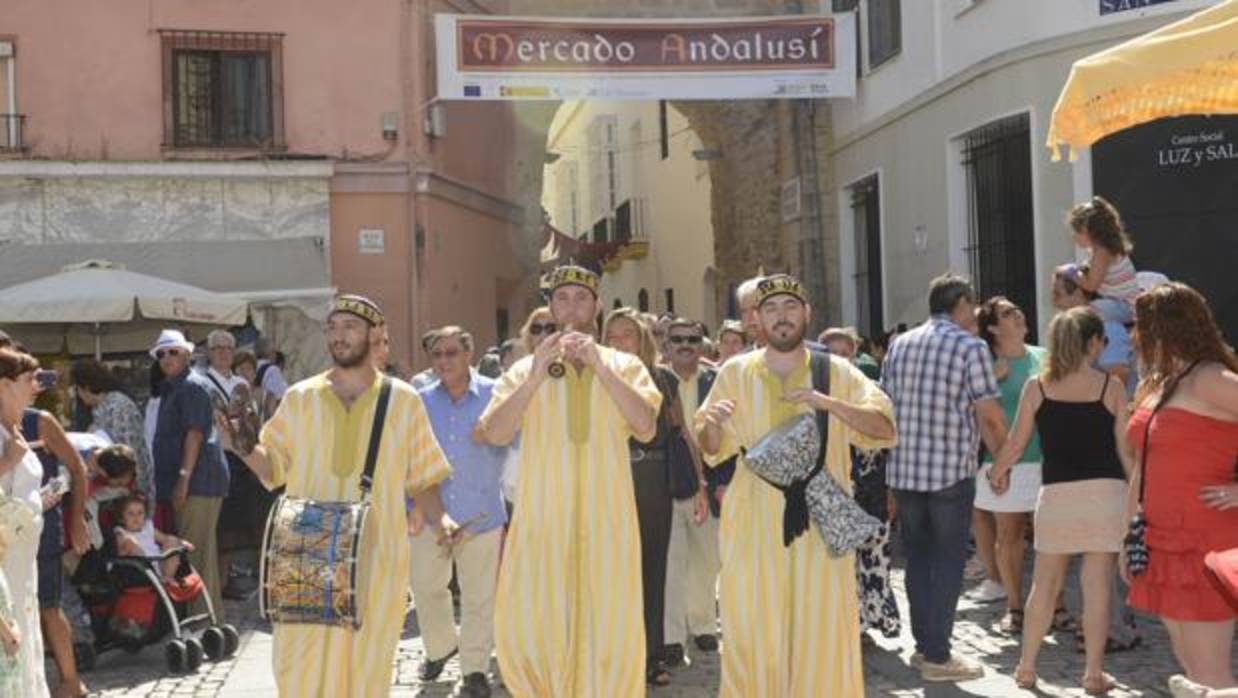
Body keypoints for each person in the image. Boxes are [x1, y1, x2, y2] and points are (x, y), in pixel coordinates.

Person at [219, 294, 458, 696]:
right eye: (332, 327)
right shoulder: (300, 398)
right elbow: (272, 469)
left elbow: (423, 478)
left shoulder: (402, 400)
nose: (338, 336)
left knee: (366, 671)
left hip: (377, 558)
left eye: (349, 326)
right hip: (306, 551)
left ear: (375, 333)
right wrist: (239, 446)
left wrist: (442, 520)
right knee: (299, 668)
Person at [696, 274, 896, 697]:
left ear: (806, 313)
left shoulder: (837, 371)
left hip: (818, 528)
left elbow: (883, 429)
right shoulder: (734, 372)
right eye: (771, 309)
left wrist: (830, 405)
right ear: (756, 319)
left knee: (821, 632)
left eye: (790, 307)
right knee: (752, 632)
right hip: (752, 527)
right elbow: (712, 449)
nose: (781, 317)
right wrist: (711, 425)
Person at [479, 265, 661, 696]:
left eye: (582, 299)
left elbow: (646, 426)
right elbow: (496, 432)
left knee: (611, 621)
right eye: (563, 298)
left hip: (608, 522)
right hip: (543, 521)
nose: (572, 308)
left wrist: (601, 366)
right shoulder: (527, 367)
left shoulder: (624, 363)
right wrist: (536, 374)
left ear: (597, 307)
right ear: (551, 306)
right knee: (536, 621)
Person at [990, 306, 1133, 694]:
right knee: (1097, 586)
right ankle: (1092, 674)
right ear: (1091, 343)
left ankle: (1026, 668)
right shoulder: (1112, 388)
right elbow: (1126, 452)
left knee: (1044, 585)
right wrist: (1138, 496)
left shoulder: (1037, 386)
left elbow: (1016, 443)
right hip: (1106, 494)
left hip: (1056, 495)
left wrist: (996, 471)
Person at [881, 273, 1008, 681]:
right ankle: (938, 654)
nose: (975, 312)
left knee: (918, 560)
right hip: (950, 471)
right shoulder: (970, 347)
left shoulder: (899, 345)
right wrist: (1005, 459)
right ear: (962, 304)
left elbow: (885, 406)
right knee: (949, 561)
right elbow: (988, 414)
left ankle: (924, 648)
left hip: (905, 469)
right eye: (972, 305)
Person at [1121, 283, 1238, 694]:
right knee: (1190, 668)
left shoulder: (1211, 380)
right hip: (1159, 539)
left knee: (1210, 672)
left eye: (1142, 326)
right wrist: (1129, 536)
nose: (1135, 335)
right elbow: (1143, 465)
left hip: (1206, 539)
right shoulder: (1161, 382)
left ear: (1166, 329)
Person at [410, 326, 507, 698]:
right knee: (425, 587)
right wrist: (412, 506)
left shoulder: (495, 394)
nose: (444, 361)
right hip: (429, 514)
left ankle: (475, 671)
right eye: (437, 355)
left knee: (478, 596)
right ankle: (440, 645)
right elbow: (409, 458)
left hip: (481, 513)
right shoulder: (419, 400)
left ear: (469, 353)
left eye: (452, 353)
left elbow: (512, 444)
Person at [599, 308, 680, 685]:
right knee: (611, 567)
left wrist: (695, 483)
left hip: (650, 478)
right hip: (610, 476)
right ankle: (615, 652)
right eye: (611, 335)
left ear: (641, 339)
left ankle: (653, 656)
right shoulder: (592, 378)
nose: (619, 342)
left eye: (626, 335)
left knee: (652, 567)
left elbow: (682, 431)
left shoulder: (662, 378)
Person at [969, 297, 1048, 634]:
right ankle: (1015, 606)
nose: (1017, 315)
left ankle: (1053, 605)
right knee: (1010, 536)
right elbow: (978, 417)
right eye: (1007, 313)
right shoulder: (985, 363)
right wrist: (992, 379)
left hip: (1047, 460)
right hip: (1006, 462)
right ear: (992, 328)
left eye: (1018, 310)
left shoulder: (1044, 357)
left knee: (1050, 538)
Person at [821, 328, 901, 641]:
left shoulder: (873, 391)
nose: (842, 359)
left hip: (872, 488)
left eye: (847, 352)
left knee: (875, 558)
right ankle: (849, 624)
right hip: (835, 491)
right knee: (841, 563)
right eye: (834, 353)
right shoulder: (816, 395)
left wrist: (892, 490)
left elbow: (891, 444)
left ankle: (872, 618)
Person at [150, 329, 230, 622]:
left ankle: (206, 623)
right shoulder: (175, 386)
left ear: (186, 353)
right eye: (161, 353)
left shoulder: (191, 386)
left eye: (172, 351)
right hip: (193, 480)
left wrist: (183, 479)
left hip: (197, 481)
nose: (166, 357)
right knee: (201, 554)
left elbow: (195, 434)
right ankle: (211, 621)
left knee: (196, 554)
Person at [661, 318, 720, 667]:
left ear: (702, 344)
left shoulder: (717, 380)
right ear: (667, 345)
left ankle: (703, 625)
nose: (685, 344)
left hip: (709, 486)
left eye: (693, 339)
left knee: (708, 559)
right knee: (672, 561)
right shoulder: (656, 380)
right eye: (678, 339)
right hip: (668, 485)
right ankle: (672, 637)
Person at [0, 348, 50, 696]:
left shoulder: (13, 429)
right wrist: (7, 461)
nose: (37, 387)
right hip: (3, 567)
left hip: (22, 564)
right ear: (4, 385)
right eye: (29, 379)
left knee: (28, 646)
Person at [71, 359, 155, 504]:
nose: (78, 394)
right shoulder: (103, 407)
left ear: (85, 387)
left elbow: (130, 451)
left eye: (77, 389)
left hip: (131, 491)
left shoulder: (117, 406)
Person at [1060, 195, 1140, 325]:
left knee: (1084, 314)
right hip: (1116, 302)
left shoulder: (1101, 253)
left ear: (1088, 231)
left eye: (1076, 232)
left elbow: (1091, 286)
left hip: (1126, 307)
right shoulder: (1100, 249)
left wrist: (1072, 272)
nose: (1073, 237)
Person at [113, 496, 192, 582]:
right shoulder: (121, 533)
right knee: (131, 544)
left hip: (159, 565)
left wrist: (181, 543)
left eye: (140, 513)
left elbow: (165, 538)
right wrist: (128, 544)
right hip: (139, 571)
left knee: (172, 540)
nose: (136, 517)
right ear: (121, 518)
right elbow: (120, 552)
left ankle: (167, 578)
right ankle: (160, 580)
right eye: (130, 513)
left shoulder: (148, 528)